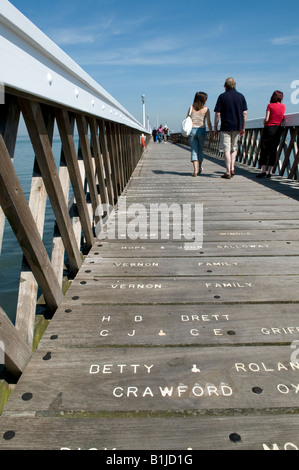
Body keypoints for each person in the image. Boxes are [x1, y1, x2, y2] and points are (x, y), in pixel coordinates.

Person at [214, 77, 247, 179]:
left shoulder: (222, 97)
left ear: (225, 86)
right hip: (237, 126)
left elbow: (218, 114)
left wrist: (215, 127)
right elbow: (244, 114)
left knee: (226, 149)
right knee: (234, 148)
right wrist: (243, 127)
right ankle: (232, 167)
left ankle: (228, 171)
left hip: (225, 126)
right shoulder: (241, 96)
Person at [256, 90, 286, 178]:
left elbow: (267, 119)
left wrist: (264, 122)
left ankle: (263, 171)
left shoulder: (270, 105)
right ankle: (270, 172)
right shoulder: (283, 106)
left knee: (265, 149)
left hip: (269, 128)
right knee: (273, 149)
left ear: (273, 97)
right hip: (278, 129)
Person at [188, 92, 213, 176]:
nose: (206, 100)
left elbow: (187, 120)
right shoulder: (206, 109)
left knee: (194, 150)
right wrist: (211, 132)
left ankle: (195, 170)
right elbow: (209, 123)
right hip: (201, 130)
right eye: (205, 99)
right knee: (200, 150)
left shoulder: (191, 108)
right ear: (203, 100)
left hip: (192, 130)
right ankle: (199, 168)